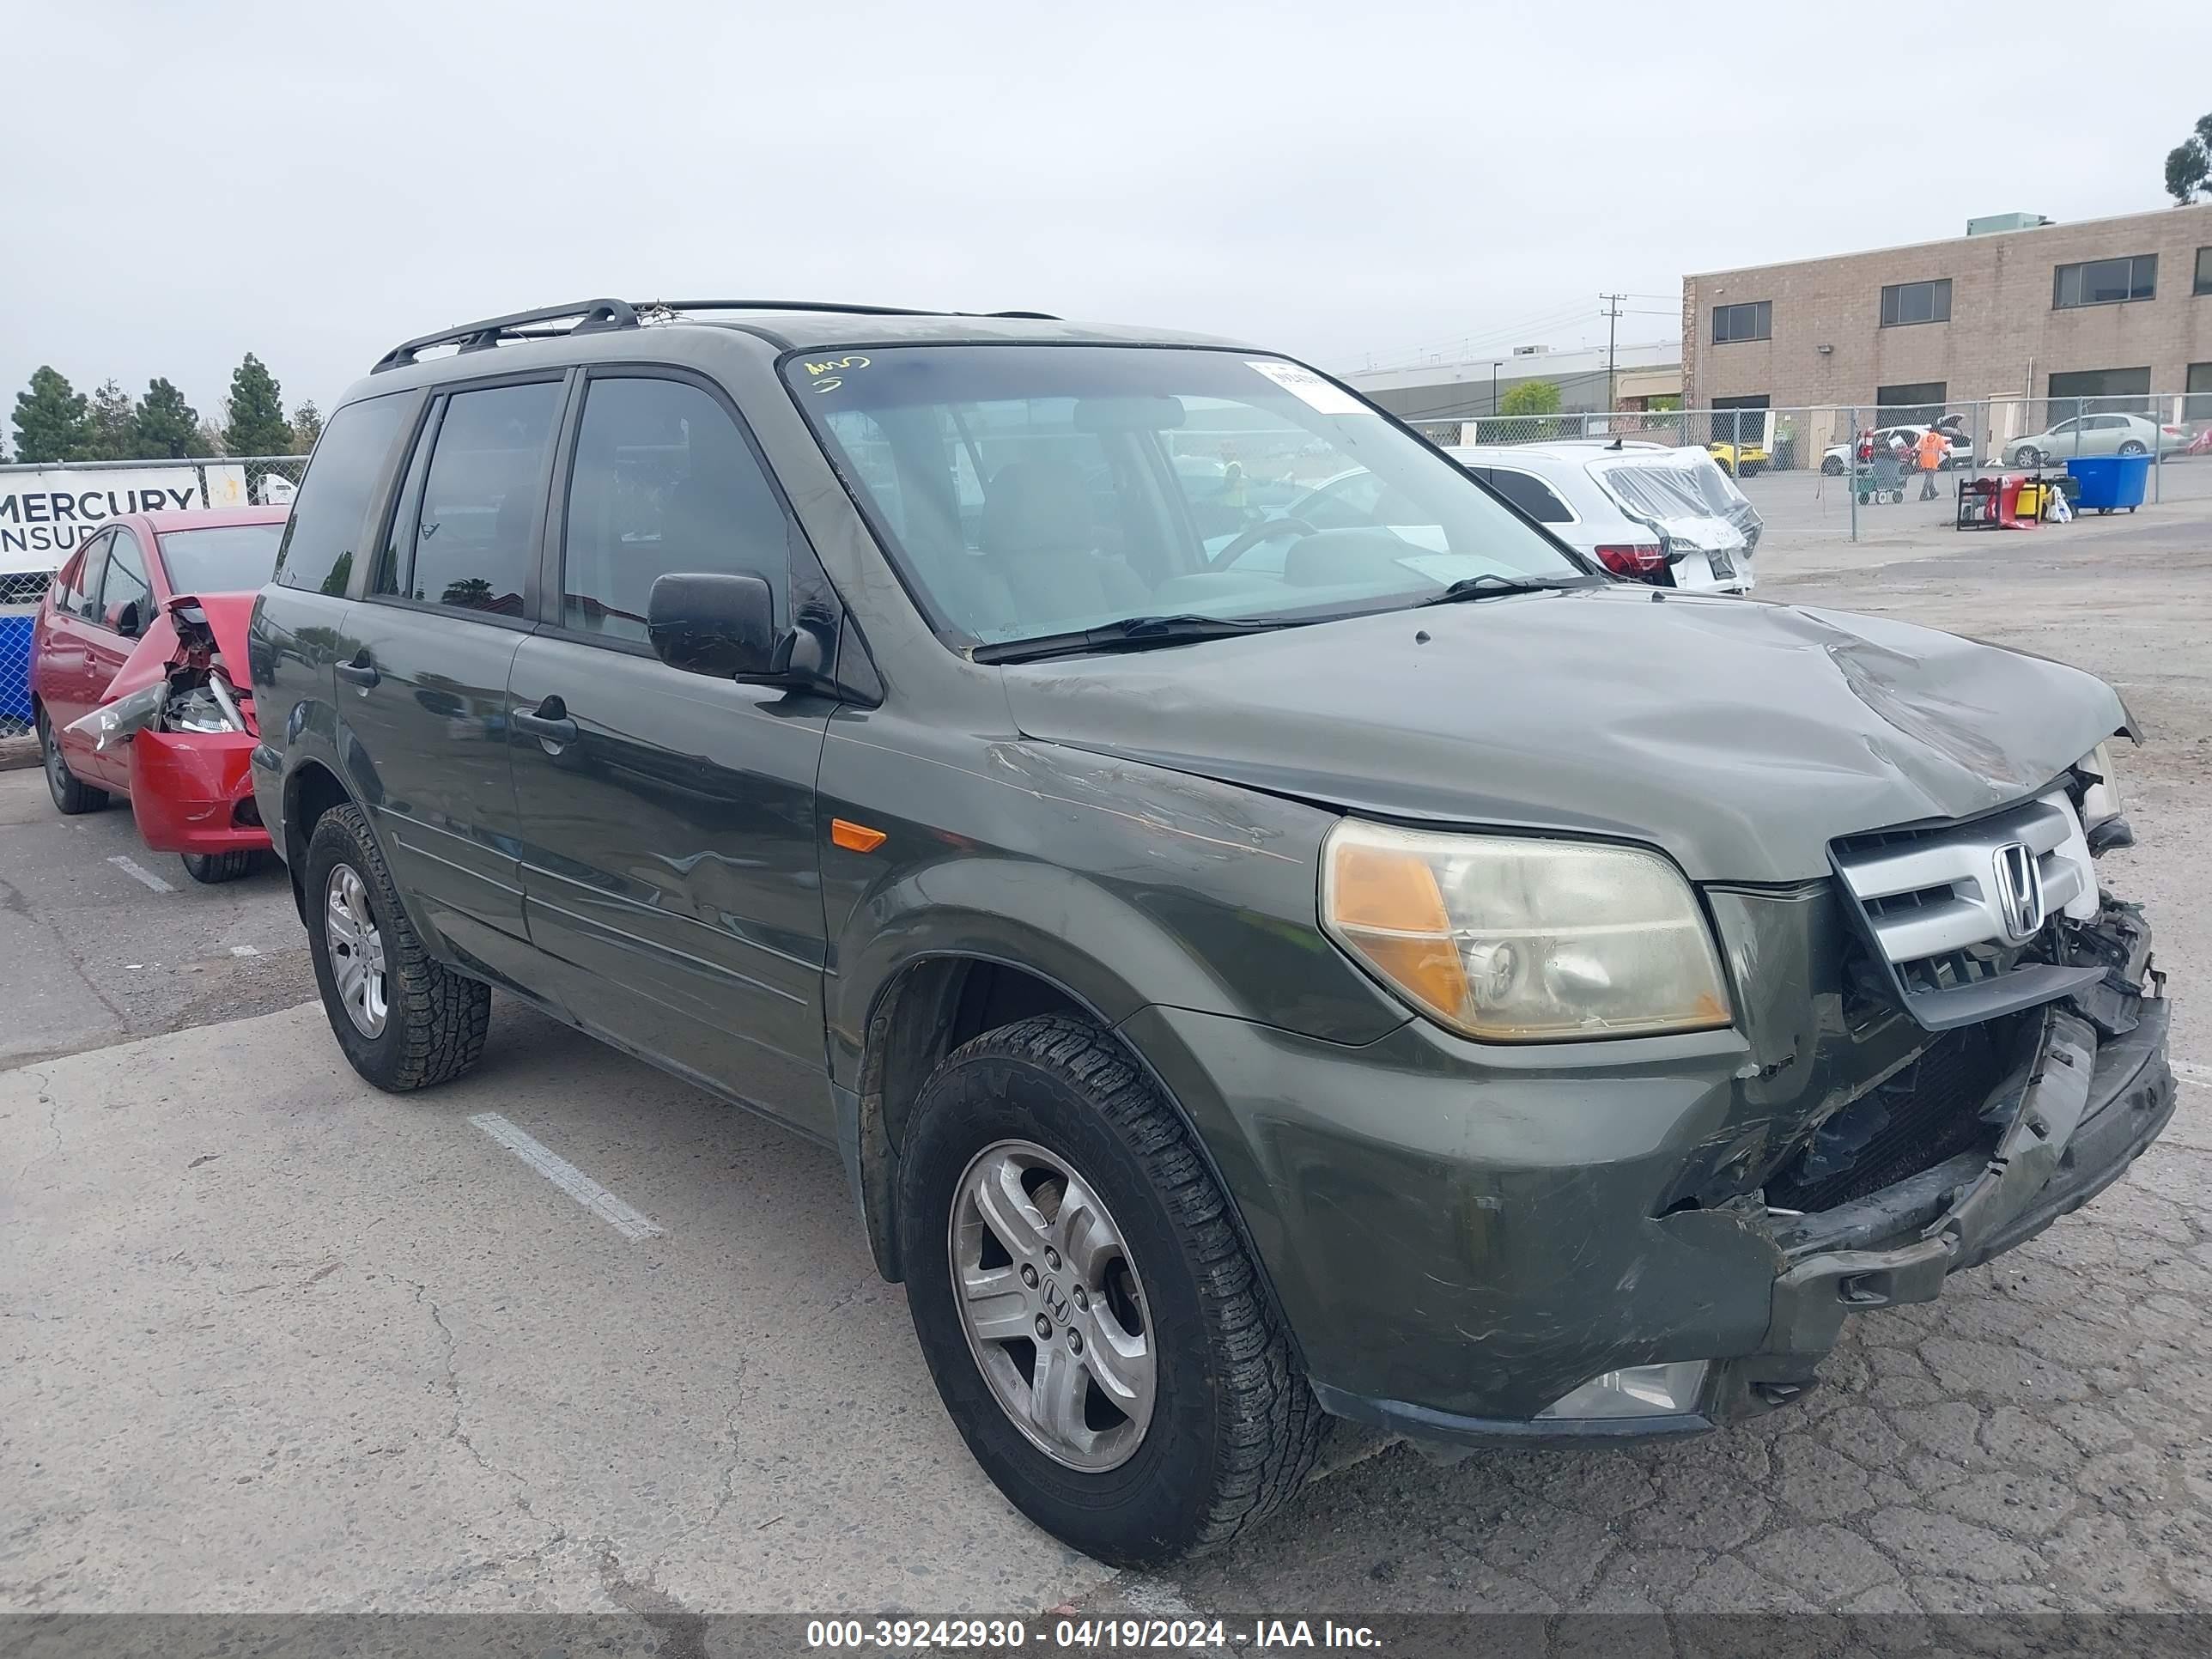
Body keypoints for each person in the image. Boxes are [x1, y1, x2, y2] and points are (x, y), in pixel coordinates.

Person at [1915, 425, 1948, 501]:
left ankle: (1933, 492)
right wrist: (1948, 453)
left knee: (1929, 476)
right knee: (1929, 477)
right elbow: (1944, 449)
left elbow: (1918, 449)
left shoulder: (1925, 437)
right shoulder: (1939, 438)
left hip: (1924, 459)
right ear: (1938, 431)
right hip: (1932, 459)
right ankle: (1923, 494)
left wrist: (1916, 458)